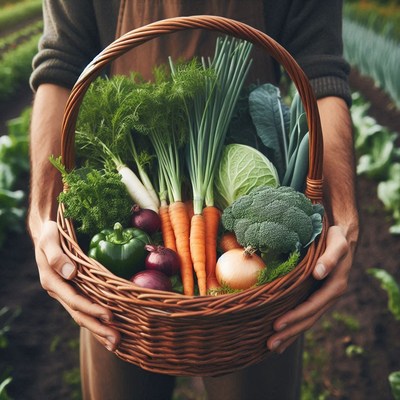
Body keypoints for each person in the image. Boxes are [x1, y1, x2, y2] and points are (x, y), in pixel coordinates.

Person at [28, 1, 359, 399]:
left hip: (254, 307)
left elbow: (321, 74)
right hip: (118, 287)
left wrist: (344, 218)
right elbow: (60, 66)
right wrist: (42, 216)